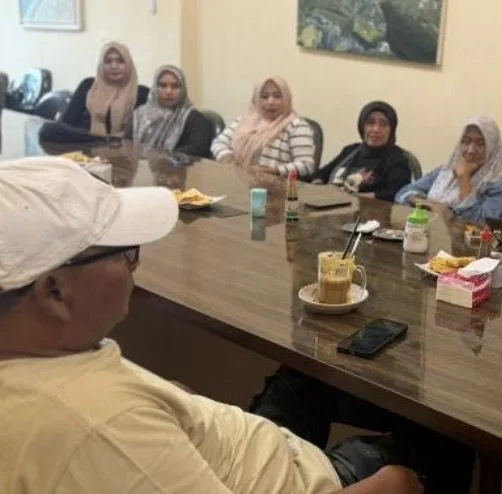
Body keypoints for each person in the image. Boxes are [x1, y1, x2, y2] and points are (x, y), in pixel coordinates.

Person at [0, 157, 424, 493]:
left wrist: (174, 405)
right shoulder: (104, 428)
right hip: (306, 481)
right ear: (53, 292)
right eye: (125, 250)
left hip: (241, 448)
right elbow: (116, 435)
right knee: (434, 446)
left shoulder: (40, 358)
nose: (134, 265)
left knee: (303, 380)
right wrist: (389, 485)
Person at [395, 115, 502, 223]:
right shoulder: (448, 169)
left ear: (492, 147)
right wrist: (429, 206)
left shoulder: (501, 182)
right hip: (436, 233)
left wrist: (463, 178)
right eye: (466, 141)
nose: (471, 150)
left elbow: (481, 224)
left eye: (481, 144)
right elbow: (403, 194)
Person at [211, 76, 316, 178]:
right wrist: (228, 158)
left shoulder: (297, 126)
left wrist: (274, 171)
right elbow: (218, 143)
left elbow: (306, 165)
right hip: (239, 181)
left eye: (277, 96)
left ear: (287, 98)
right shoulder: (245, 120)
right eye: (264, 97)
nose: (270, 102)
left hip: (277, 186)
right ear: (256, 99)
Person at [315, 101, 413, 202]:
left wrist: (355, 197)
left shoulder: (397, 159)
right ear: (362, 126)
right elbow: (321, 174)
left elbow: (396, 193)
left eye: (383, 124)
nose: (376, 129)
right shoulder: (350, 150)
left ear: (391, 130)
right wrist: (317, 186)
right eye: (370, 123)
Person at [59, 42, 149, 137]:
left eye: (120, 61)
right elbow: (67, 123)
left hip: (123, 145)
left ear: (129, 64)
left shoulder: (142, 93)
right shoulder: (88, 86)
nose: (114, 66)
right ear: (101, 65)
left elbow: (144, 134)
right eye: (108, 61)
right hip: (85, 142)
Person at [126, 65, 215, 158]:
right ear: (155, 88)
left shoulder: (195, 119)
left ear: (183, 89)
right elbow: (126, 145)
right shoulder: (139, 115)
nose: (168, 91)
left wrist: (161, 157)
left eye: (175, 86)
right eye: (163, 86)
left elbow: (198, 149)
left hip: (176, 167)